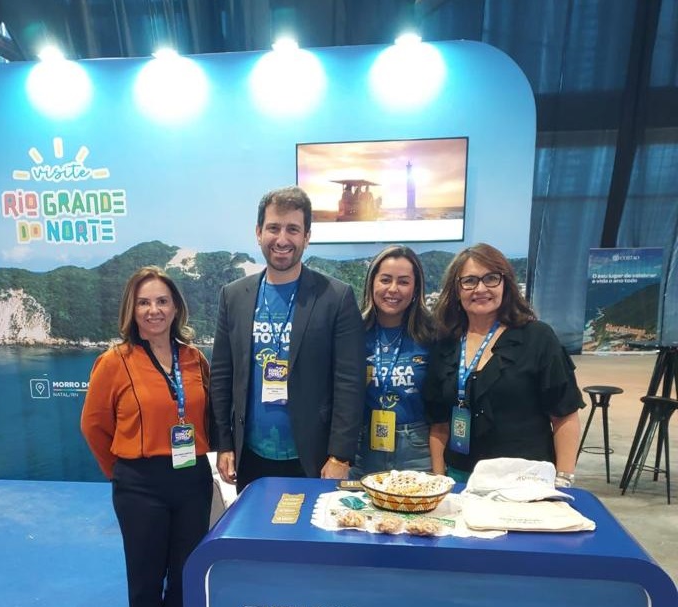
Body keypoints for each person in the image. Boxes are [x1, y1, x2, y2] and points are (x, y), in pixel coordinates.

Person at [81, 266, 213, 607]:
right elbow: (94, 425)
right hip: (140, 483)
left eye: (161, 301)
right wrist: (121, 472)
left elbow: (206, 415)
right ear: (131, 310)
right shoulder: (114, 361)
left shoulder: (194, 358)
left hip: (192, 477)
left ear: (176, 308)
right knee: (146, 576)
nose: (153, 310)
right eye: (144, 302)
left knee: (187, 572)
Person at [210, 186, 366, 491]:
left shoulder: (336, 297)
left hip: (315, 458)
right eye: (273, 228)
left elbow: (349, 382)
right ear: (258, 232)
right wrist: (224, 443)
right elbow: (222, 375)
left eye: (293, 229)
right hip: (250, 457)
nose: (282, 239)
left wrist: (340, 455)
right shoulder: (233, 296)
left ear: (307, 236)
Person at [424, 243, 583, 487]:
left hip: (525, 480)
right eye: (469, 281)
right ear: (456, 290)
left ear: (505, 283)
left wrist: (563, 478)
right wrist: (439, 479)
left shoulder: (537, 337)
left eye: (491, 278)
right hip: (460, 478)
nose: (480, 289)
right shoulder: (445, 343)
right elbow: (439, 424)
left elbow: (565, 415)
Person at [350, 246, 436, 479]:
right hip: (363, 445)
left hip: (416, 447)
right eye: (385, 280)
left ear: (416, 288)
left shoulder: (432, 335)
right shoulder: (353, 332)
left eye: (403, 282)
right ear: (372, 283)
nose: (393, 289)